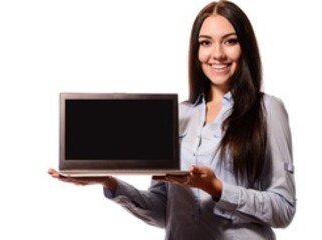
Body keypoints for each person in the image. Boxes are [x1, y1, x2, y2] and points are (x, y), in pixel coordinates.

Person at [47, 1, 296, 239]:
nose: (217, 54)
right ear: (196, 50)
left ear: (245, 47)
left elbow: (284, 209)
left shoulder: (267, 110)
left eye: (230, 41)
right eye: (206, 42)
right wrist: (109, 182)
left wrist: (217, 189)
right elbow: (163, 213)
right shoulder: (179, 115)